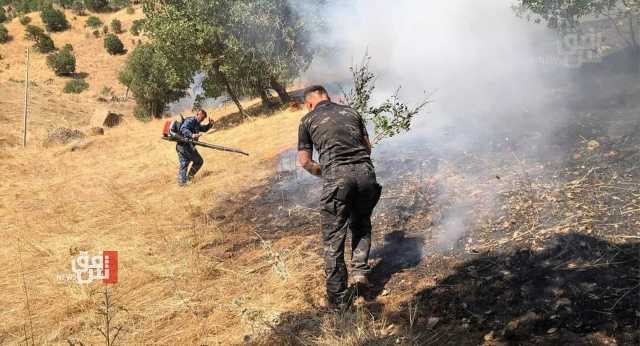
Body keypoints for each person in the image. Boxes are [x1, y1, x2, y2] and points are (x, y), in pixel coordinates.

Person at [297, 85, 382, 309]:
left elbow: (305, 161)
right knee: (361, 223)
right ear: (329, 98)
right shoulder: (352, 112)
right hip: (366, 175)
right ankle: (359, 272)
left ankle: (337, 298)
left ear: (309, 103)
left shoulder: (307, 121)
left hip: (337, 178)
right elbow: (367, 148)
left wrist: (329, 172)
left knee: (333, 238)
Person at [177, 109, 214, 186]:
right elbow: (183, 128)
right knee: (185, 162)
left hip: (188, 146)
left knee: (198, 161)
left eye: (203, 119)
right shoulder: (191, 120)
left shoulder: (197, 123)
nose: (202, 120)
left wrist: (209, 124)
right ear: (197, 115)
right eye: (201, 118)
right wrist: (192, 135)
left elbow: (203, 129)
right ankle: (182, 183)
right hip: (183, 146)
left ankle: (188, 178)